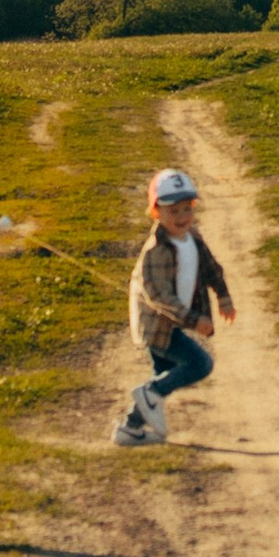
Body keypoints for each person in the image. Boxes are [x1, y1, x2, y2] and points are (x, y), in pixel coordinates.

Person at [115, 165, 234, 445]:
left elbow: (210, 268)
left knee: (162, 377)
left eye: (186, 209)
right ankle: (146, 396)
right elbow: (158, 297)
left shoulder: (193, 237)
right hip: (157, 326)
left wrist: (224, 297)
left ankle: (129, 428)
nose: (182, 217)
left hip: (173, 322)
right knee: (200, 363)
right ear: (156, 212)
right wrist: (194, 320)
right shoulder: (155, 251)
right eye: (173, 211)